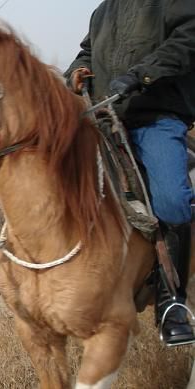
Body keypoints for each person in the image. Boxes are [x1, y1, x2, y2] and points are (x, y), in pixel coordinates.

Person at [65, 0, 195, 346]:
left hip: (157, 118)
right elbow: (87, 52)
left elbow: (187, 40)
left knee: (172, 202)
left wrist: (140, 76)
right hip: (106, 120)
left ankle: (171, 301)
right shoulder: (103, 10)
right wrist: (77, 71)